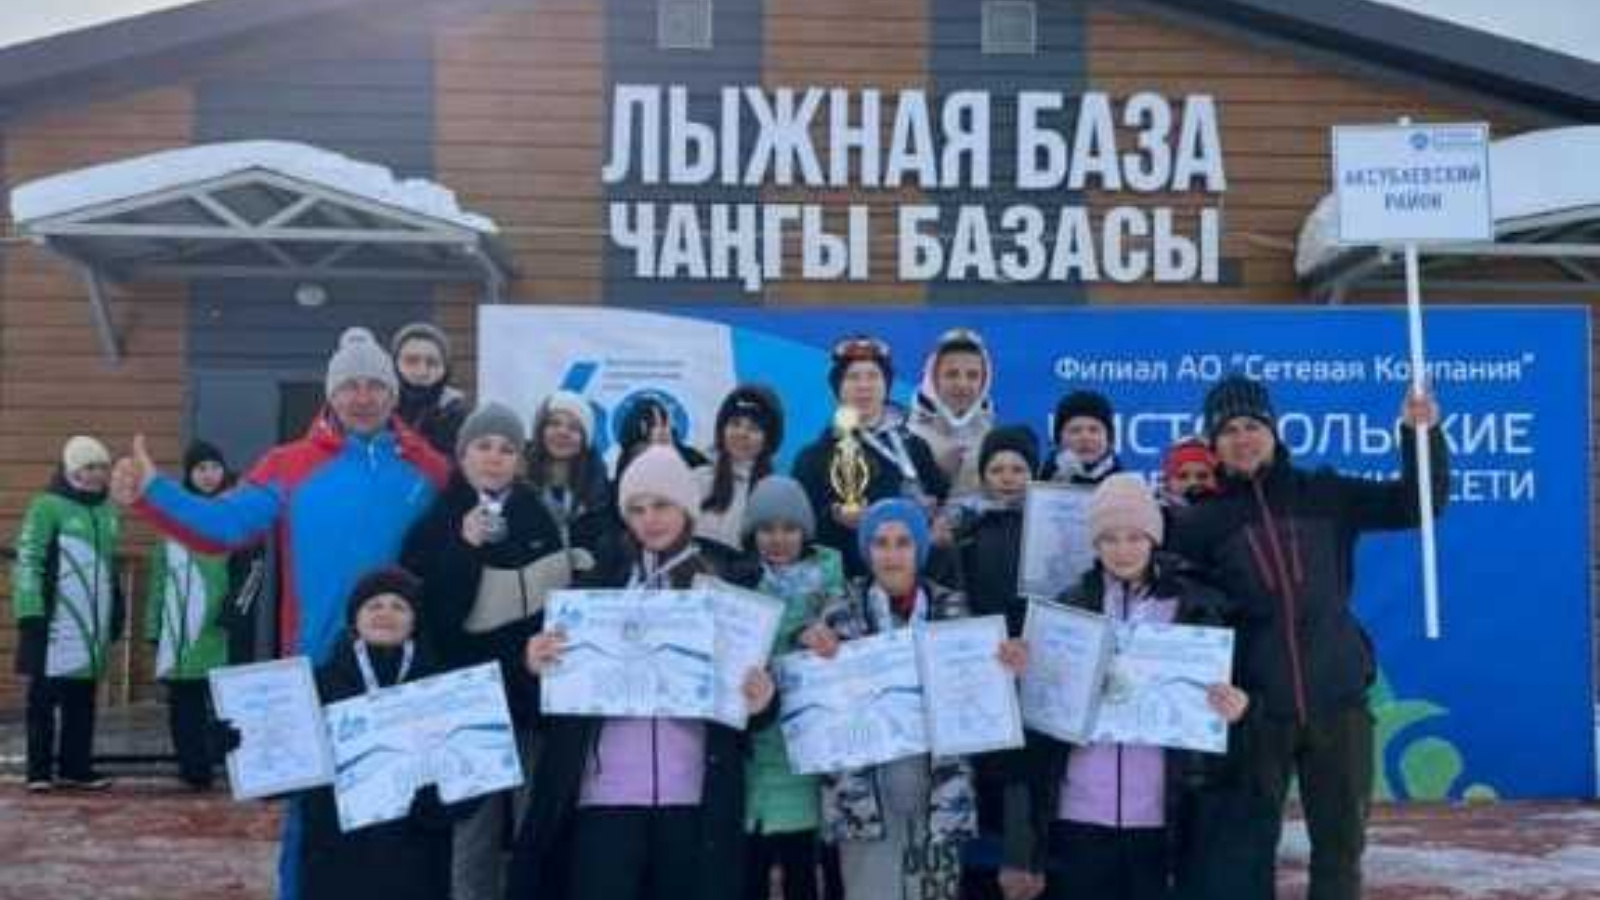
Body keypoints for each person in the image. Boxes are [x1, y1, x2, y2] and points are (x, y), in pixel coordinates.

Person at [111, 326, 450, 900]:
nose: (362, 397)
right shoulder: (288, 465)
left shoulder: (429, 470)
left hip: (404, 671)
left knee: (402, 823)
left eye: (375, 385)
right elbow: (224, 527)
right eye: (349, 386)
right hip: (317, 668)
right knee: (310, 822)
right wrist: (153, 491)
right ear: (331, 394)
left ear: (393, 395)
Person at [1166, 375, 1447, 900]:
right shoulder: (1199, 524)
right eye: (1228, 430)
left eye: (1252, 426)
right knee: (1246, 854)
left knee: (1340, 852)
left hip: (1337, 702)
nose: (1242, 438)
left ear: (1273, 431)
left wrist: (1420, 435)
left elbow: (1417, 503)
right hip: (1255, 712)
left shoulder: (1325, 493)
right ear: (1214, 444)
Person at [508, 445, 775, 900]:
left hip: (692, 797)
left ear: (686, 509)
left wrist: (762, 698)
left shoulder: (725, 588)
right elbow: (545, 706)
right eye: (637, 508)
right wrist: (534, 666)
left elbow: (754, 698)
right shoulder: (593, 590)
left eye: (662, 505)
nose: (650, 519)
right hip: (604, 796)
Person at [1004, 474, 1249, 900]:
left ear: (1153, 538)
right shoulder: (1066, 607)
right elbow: (1039, 717)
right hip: (1080, 808)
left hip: (1161, 811)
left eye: (1134, 537)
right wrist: (1024, 671)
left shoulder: (1196, 605)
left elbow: (1236, 692)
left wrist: (1237, 705)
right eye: (1109, 538)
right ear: (1094, 543)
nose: (1122, 550)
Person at [800, 498, 1025, 900]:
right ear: (866, 550)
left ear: (919, 550)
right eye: (881, 543)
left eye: (903, 543)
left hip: (939, 791)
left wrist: (1005, 664)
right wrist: (810, 648)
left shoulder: (954, 610)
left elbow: (982, 690)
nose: (892, 555)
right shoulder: (837, 612)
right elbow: (810, 692)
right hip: (864, 799)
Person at [401, 402, 570, 900]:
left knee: (533, 829)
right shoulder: (436, 519)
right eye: (483, 446)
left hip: (528, 700)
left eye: (506, 449)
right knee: (472, 832)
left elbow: (557, 606)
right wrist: (464, 548)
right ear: (462, 455)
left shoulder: (538, 516)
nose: (495, 458)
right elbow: (433, 618)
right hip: (467, 702)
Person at [296, 567, 475, 900]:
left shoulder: (443, 688)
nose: (386, 614)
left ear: (414, 620)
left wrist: (440, 805)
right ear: (355, 618)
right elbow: (287, 774)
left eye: (399, 606)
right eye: (374, 605)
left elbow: (474, 776)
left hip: (417, 861)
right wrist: (240, 745)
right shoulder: (316, 684)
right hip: (335, 860)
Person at [740, 476, 846, 900]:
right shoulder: (739, 582)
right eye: (766, 529)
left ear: (806, 531)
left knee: (804, 869)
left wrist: (822, 639)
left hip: (809, 754)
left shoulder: (833, 585)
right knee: (751, 867)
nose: (778, 539)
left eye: (789, 528)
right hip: (753, 754)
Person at [12, 436, 122, 792]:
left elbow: (108, 567)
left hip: (89, 624)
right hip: (52, 621)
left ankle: (76, 767)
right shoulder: (47, 506)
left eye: (102, 467)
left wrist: (116, 609)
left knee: (82, 699)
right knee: (43, 698)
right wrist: (30, 610)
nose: (97, 474)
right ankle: (39, 771)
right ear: (72, 469)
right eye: (89, 467)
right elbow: (28, 557)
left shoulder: (107, 511)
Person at [793, 336, 950, 578]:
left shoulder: (916, 447)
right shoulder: (814, 457)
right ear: (838, 389)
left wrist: (940, 519)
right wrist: (834, 518)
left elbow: (944, 499)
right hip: (848, 582)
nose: (864, 386)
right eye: (853, 377)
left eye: (873, 376)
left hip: (915, 580)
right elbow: (799, 529)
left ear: (886, 385)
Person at [144, 441, 249, 790]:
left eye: (214, 467)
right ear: (189, 475)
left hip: (219, 627)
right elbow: (159, 577)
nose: (208, 475)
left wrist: (235, 612)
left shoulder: (235, 514)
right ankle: (193, 767)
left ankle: (229, 762)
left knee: (224, 702)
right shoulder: (173, 518)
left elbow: (250, 569)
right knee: (184, 703)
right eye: (200, 468)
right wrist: (153, 626)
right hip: (180, 630)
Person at [909, 328, 996, 500]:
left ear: (984, 382)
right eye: (951, 374)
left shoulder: (992, 437)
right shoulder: (907, 437)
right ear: (933, 379)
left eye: (972, 376)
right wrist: (934, 474)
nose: (962, 384)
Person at [525, 390, 615, 557]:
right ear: (540, 431)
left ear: (585, 439)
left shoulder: (601, 491)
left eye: (574, 428)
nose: (563, 432)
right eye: (554, 423)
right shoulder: (517, 482)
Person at [697, 385, 784, 552]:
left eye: (754, 428)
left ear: (768, 440)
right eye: (735, 424)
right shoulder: (697, 479)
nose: (742, 433)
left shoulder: (775, 493)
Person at [391, 321, 469, 456]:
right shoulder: (376, 410)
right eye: (411, 361)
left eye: (432, 363)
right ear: (395, 363)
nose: (422, 371)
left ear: (445, 368)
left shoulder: (458, 416)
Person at [612, 392, 709, 481]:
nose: (660, 431)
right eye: (652, 424)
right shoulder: (628, 457)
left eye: (663, 423)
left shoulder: (689, 456)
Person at [1158, 437, 1219, 510]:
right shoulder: (1156, 513)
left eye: (1202, 476)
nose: (1193, 483)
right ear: (1168, 482)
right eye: (1183, 477)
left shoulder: (1228, 511)